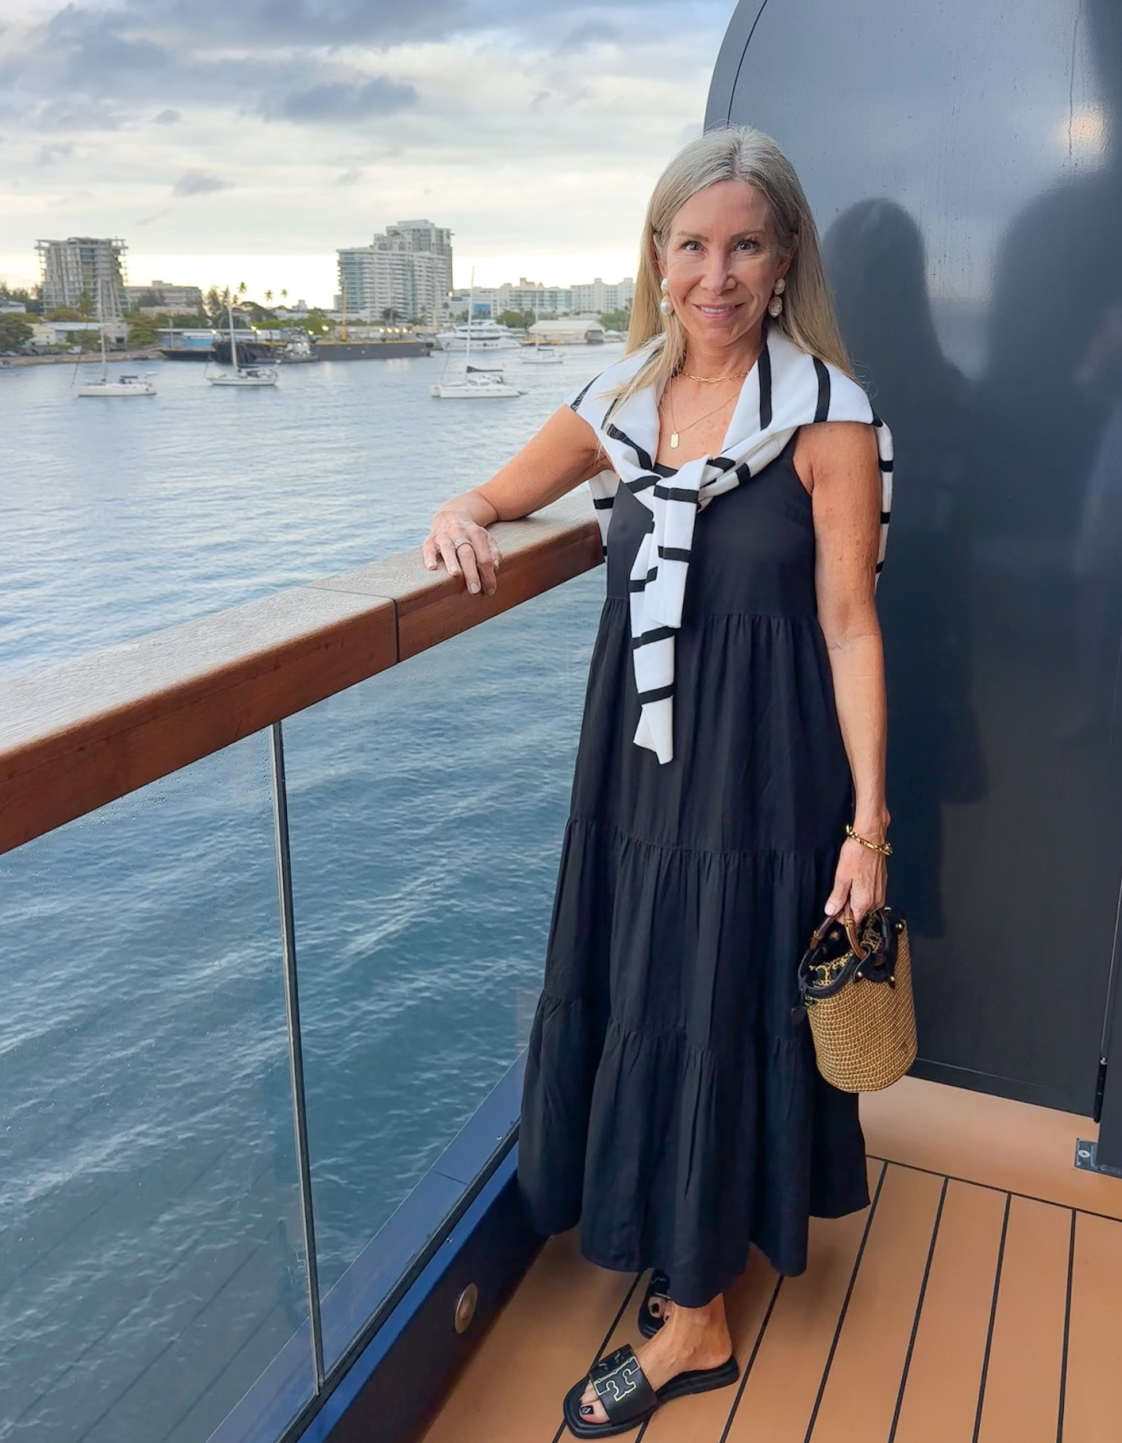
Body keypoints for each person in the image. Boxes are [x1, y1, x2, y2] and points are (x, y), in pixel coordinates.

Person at [422, 126, 892, 1436]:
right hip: (636, 769)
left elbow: (851, 623)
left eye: (745, 244)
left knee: (712, 1003)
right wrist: (466, 510)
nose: (718, 273)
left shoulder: (826, 416)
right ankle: (689, 1248)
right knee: (651, 993)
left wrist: (870, 824)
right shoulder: (625, 397)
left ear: (785, 256)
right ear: (658, 256)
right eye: (693, 244)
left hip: (755, 778)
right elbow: (508, 488)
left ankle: (698, 1317)